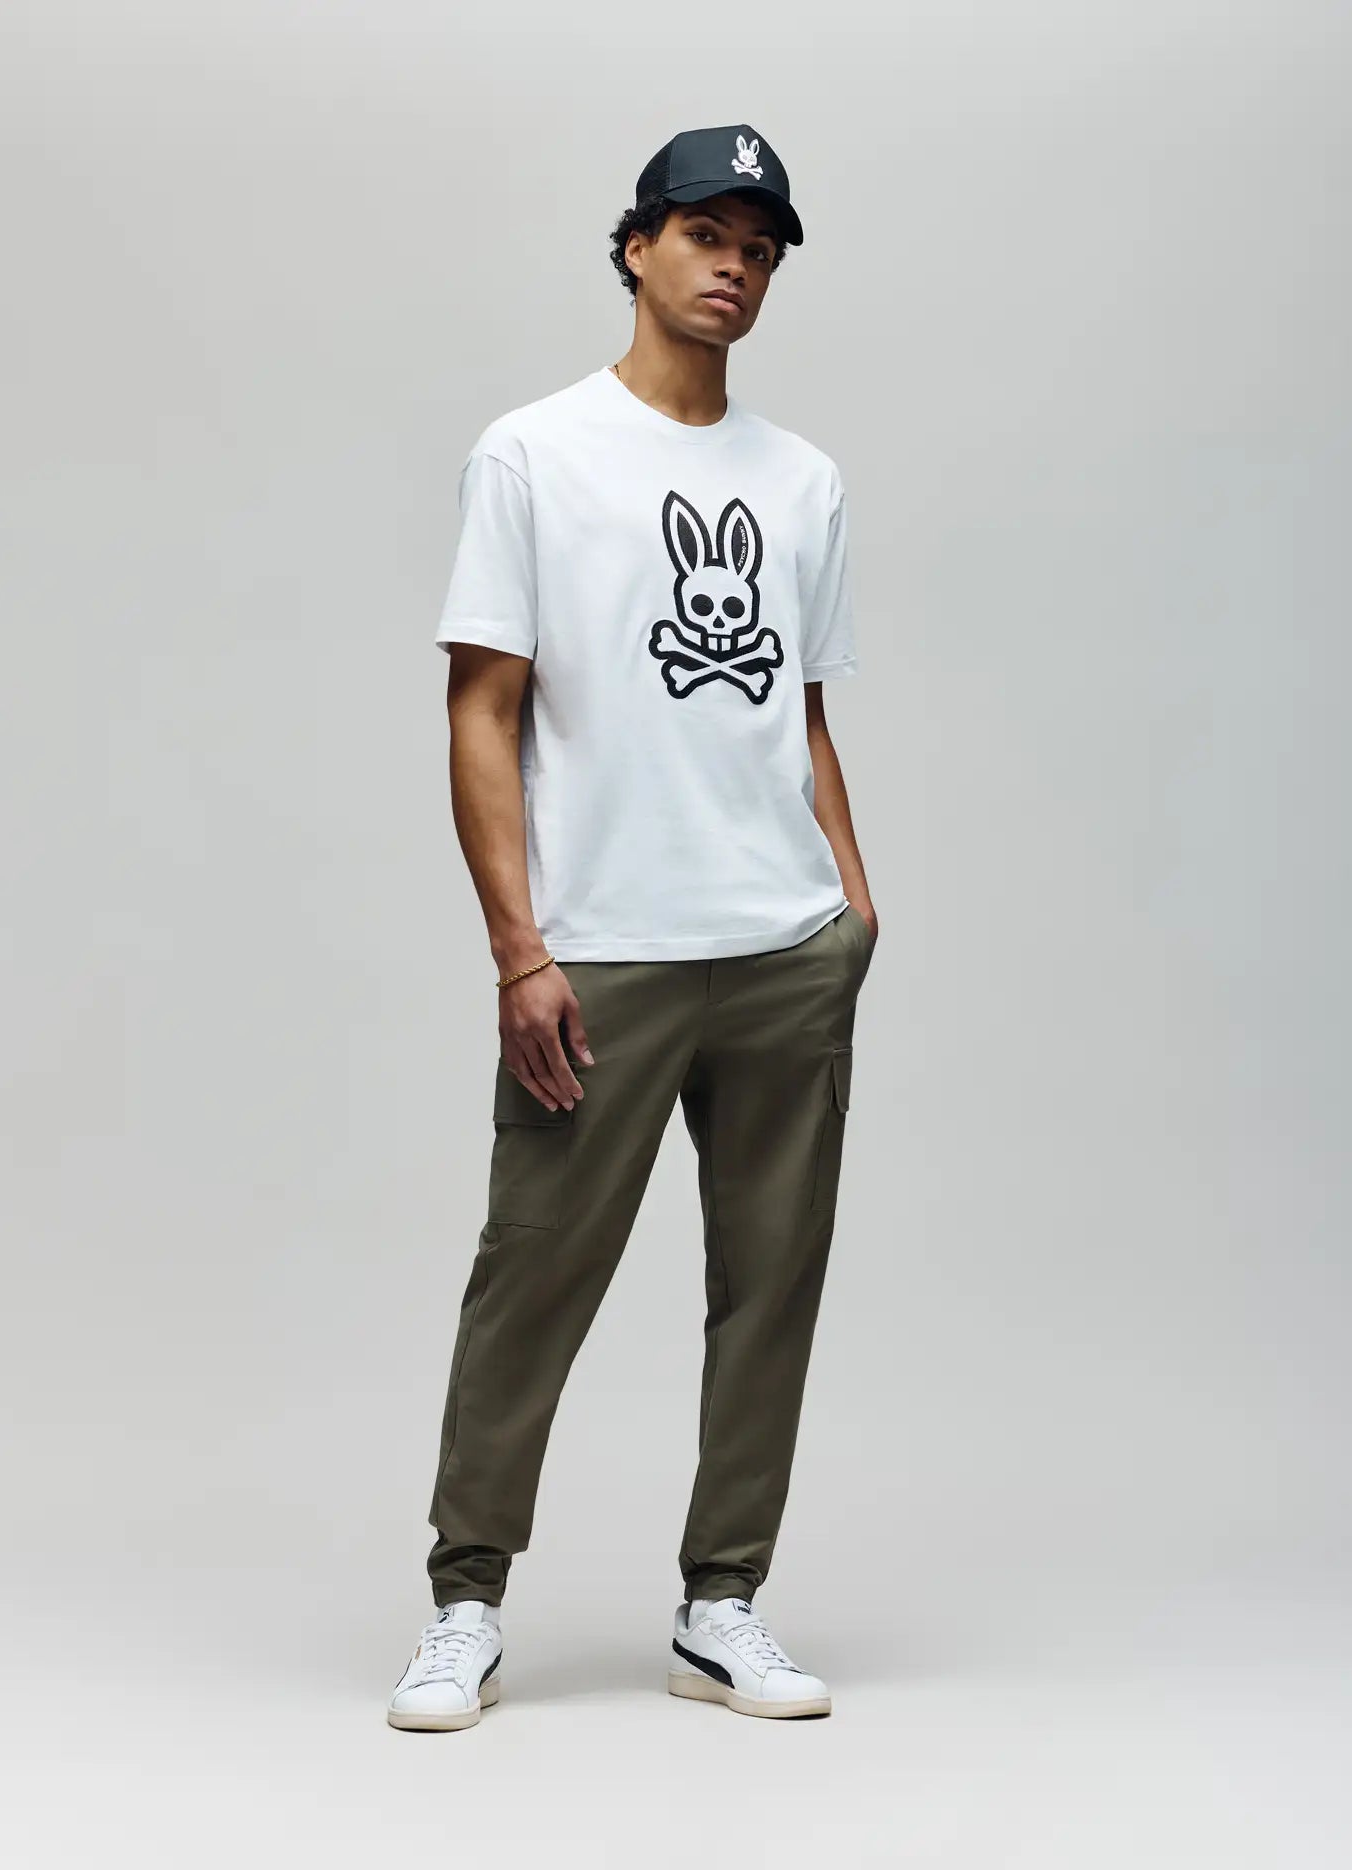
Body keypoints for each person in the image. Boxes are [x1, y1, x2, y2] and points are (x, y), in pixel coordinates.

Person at [388, 123, 876, 1733]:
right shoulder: (535, 454)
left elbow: (799, 716)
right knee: (531, 1270)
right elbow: (484, 707)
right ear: (638, 247)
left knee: (773, 1282)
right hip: (601, 950)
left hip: (785, 946)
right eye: (707, 231)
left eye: (762, 244)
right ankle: (468, 1601)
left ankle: (722, 1600)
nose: (736, 262)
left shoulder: (801, 481)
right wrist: (521, 949)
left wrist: (853, 900)